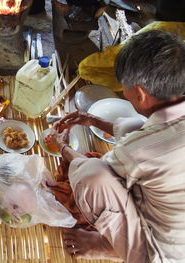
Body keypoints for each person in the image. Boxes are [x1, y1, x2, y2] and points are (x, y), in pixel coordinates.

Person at [50, 30, 185, 262]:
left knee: (92, 175)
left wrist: (62, 147)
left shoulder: (143, 149)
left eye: (125, 89)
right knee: (134, 125)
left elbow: (97, 166)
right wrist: (93, 120)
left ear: (140, 93)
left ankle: (109, 246)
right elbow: (145, 133)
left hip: (164, 253)